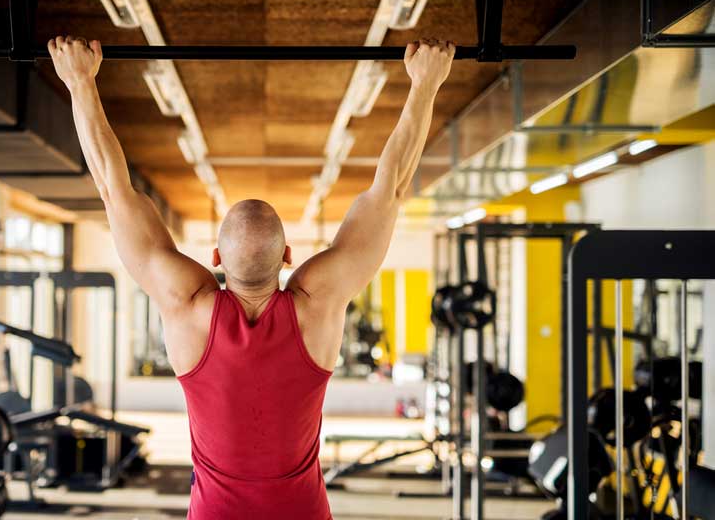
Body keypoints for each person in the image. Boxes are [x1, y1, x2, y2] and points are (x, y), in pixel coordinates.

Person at [48, 35, 454, 519]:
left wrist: (80, 82)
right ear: (287, 255)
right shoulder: (316, 304)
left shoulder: (187, 305)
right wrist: (425, 86)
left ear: (216, 256)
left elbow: (113, 189)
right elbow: (389, 189)